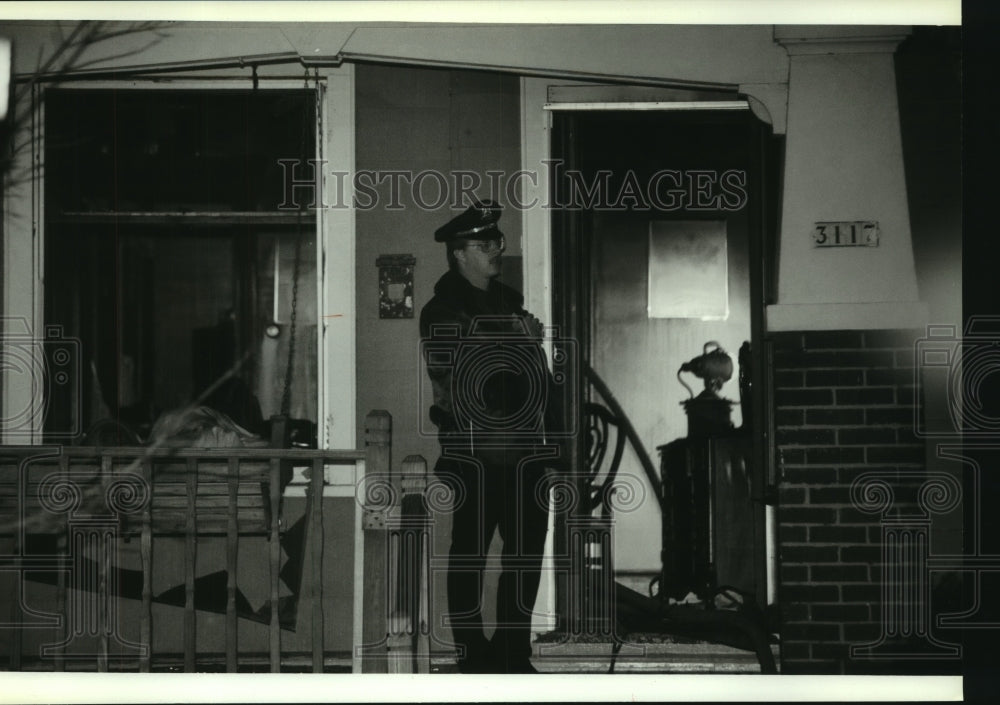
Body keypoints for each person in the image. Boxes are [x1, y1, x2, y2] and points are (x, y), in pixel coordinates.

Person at [420, 199, 557, 674]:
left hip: (526, 457)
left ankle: (512, 655)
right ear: (459, 253)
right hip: (475, 458)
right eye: (484, 244)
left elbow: (536, 384)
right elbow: (480, 386)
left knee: (524, 558)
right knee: (470, 558)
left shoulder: (511, 304)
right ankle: (472, 657)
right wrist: (521, 342)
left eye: (497, 241)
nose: (496, 250)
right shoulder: (441, 311)